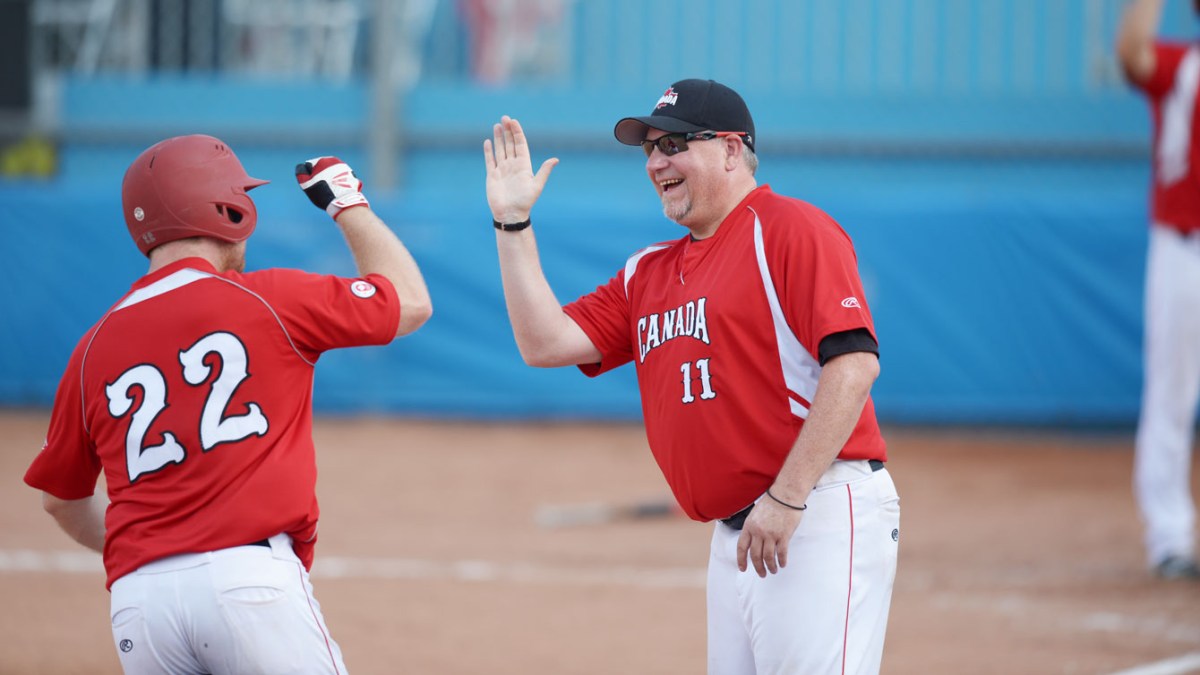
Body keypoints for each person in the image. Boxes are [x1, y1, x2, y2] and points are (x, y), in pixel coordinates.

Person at [483, 79, 900, 674]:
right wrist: (513, 225)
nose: (656, 162)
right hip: (737, 535)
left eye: (674, 143)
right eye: (649, 149)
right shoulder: (649, 272)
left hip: (814, 511)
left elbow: (855, 366)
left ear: (732, 150)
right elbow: (543, 342)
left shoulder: (788, 229)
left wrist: (787, 497)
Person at [24, 135, 432, 672]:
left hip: (139, 605)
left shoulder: (91, 347)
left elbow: (61, 500)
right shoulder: (269, 297)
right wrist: (347, 202)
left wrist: (153, 550)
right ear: (226, 209)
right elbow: (410, 302)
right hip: (249, 587)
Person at [1117, 0, 1200, 581]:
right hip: (1184, 245)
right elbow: (1131, 52)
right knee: (1171, 391)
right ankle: (1169, 536)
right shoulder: (1183, 66)